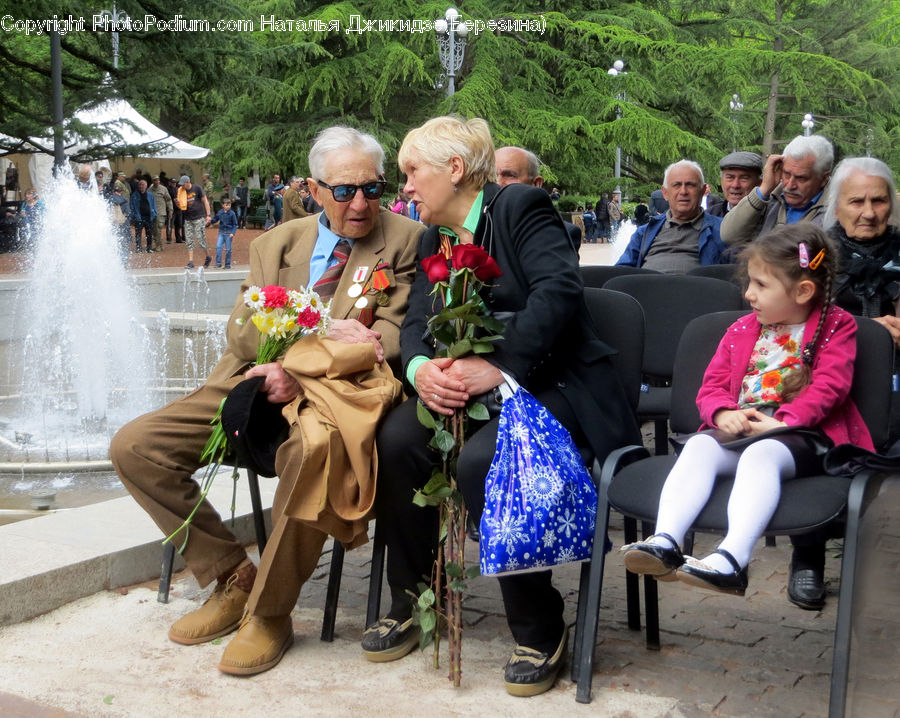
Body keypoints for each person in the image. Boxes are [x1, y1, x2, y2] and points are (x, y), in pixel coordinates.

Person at [110, 126, 421, 677]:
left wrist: (300, 366)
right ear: (314, 189)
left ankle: (270, 611)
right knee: (135, 447)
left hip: (335, 400)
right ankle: (231, 573)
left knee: (314, 453)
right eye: (344, 190)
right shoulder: (278, 242)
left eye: (372, 189)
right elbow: (242, 333)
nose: (360, 203)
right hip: (250, 385)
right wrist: (315, 340)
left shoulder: (406, 240)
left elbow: (389, 340)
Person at [368, 116, 639, 696]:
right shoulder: (432, 238)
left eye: (413, 172)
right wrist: (421, 372)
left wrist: (502, 364)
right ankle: (416, 597)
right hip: (472, 387)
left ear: (455, 170)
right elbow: (415, 325)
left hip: (552, 383)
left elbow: (559, 291)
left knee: (482, 462)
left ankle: (541, 625)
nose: (407, 188)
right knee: (395, 441)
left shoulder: (518, 207)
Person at [622, 223, 873, 597]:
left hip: (801, 436)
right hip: (739, 431)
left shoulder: (836, 326)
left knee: (761, 454)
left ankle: (733, 559)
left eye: (761, 285)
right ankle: (666, 541)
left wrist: (783, 422)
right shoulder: (742, 329)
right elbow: (712, 386)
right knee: (699, 447)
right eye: (749, 282)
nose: (748, 293)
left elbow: (829, 388)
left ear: (803, 291)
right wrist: (722, 413)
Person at [777, 156, 900, 610]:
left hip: (894, 379)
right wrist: (865, 331)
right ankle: (807, 556)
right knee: (805, 431)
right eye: (857, 201)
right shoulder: (817, 252)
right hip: (827, 372)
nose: (869, 211)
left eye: (879, 200)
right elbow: (792, 308)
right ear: (837, 206)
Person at [721, 135, 833, 247]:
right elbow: (729, 236)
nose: (790, 185)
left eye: (801, 178)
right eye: (786, 174)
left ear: (823, 179)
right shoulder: (770, 199)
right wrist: (764, 190)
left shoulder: (836, 211)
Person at [616, 160, 725, 273]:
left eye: (690, 185)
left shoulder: (722, 231)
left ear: (703, 191)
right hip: (648, 289)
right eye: (676, 185)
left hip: (696, 289)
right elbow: (620, 273)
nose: (683, 191)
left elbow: (736, 275)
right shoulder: (644, 233)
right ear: (665, 193)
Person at [493, 145, 582, 251]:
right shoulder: (475, 227)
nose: (497, 183)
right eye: (491, 175)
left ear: (536, 183)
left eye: (510, 175)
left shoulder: (560, 235)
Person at [706, 151, 764, 218]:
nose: (735, 185)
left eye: (744, 178)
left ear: (759, 183)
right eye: (730, 177)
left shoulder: (770, 217)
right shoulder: (709, 216)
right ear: (721, 180)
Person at [177, 175, 212, 268]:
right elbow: (182, 207)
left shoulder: (197, 188)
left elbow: (205, 201)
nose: (181, 186)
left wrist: (208, 215)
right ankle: (191, 261)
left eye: (183, 184)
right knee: (189, 240)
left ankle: (208, 256)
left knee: (201, 239)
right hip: (188, 218)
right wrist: (178, 204)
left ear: (188, 182)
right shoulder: (181, 192)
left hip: (199, 217)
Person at [130, 179, 157, 253]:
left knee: (149, 234)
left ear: (146, 186)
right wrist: (133, 215)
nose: (141, 186)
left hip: (149, 217)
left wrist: (154, 213)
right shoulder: (134, 195)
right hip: (139, 217)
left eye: (143, 184)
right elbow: (131, 206)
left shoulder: (150, 195)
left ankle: (149, 248)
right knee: (138, 234)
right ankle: (138, 248)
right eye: (140, 184)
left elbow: (153, 205)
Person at [209, 197, 238, 269]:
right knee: (218, 247)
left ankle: (227, 264)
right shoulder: (220, 212)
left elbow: (235, 224)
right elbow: (215, 219)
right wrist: (210, 221)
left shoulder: (232, 213)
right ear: (223, 205)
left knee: (228, 249)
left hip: (228, 233)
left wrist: (232, 233)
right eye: (226, 205)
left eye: (229, 205)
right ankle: (218, 263)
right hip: (221, 232)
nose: (228, 206)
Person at [149, 175, 173, 253]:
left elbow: (168, 200)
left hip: (161, 212)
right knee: (154, 230)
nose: (157, 182)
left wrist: (170, 210)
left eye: (158, 180)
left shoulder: (163, 189)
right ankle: (160, 245)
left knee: (158, 229)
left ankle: (158, 246)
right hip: (152, 212)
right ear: (152, 181)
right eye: (155, 180)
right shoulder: (149, 190)